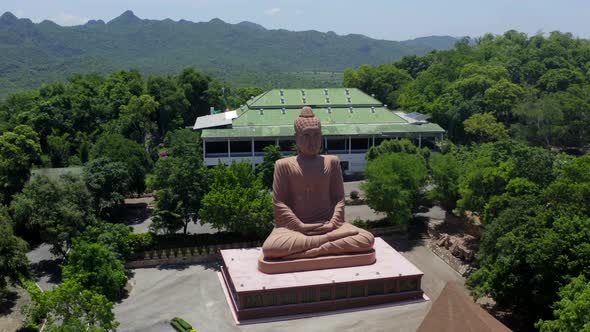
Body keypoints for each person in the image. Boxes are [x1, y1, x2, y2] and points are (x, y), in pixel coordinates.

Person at [262, 106, 374, 260]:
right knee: (270, 248)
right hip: (296, 230)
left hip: (330, 227)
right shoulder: (284, 165)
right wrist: (299, 225)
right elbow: (279, 203)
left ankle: (315, 250)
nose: (312, 141)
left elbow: (339, 200)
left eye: (316, 135)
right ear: (296, 138)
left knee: (366, 239)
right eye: (306, 136)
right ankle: (324, 244)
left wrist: (332, 224)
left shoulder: (331, 162)